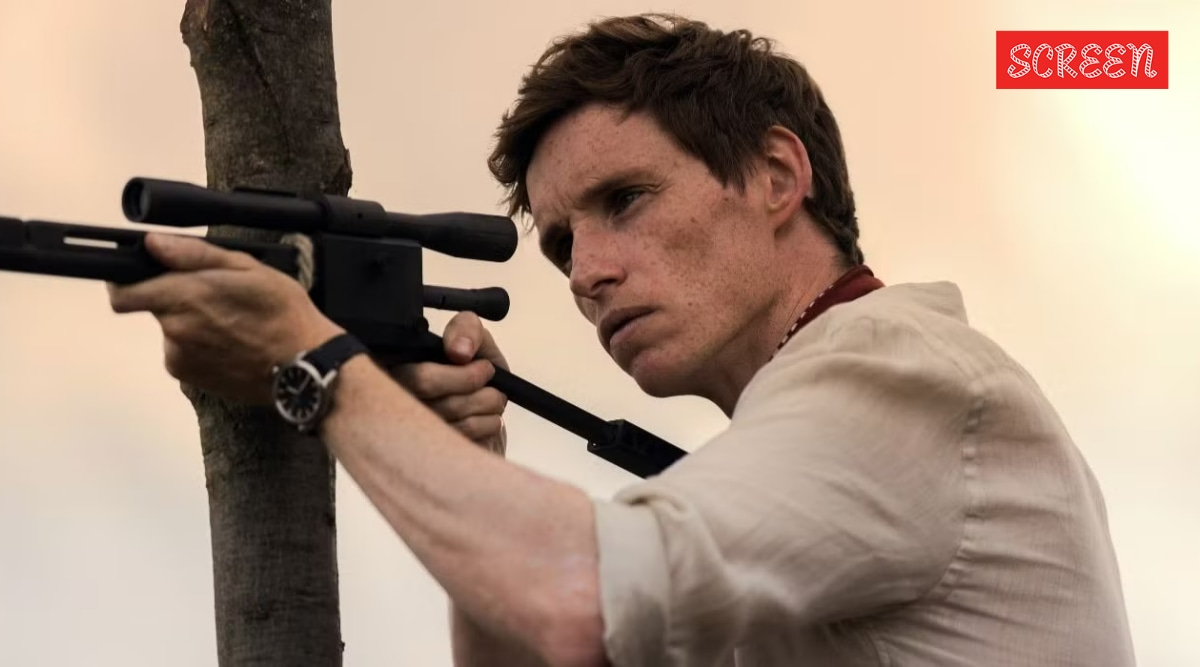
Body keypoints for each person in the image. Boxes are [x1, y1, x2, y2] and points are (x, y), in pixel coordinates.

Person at [106, 12, 1136, 667]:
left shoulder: (894, 368)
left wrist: (315, 363)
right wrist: (471, 457)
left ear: (777, 176)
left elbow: (577, 597)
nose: (586, 271)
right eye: (562, 243)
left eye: (626, 199)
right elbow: (558, 637)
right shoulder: (808, 453)